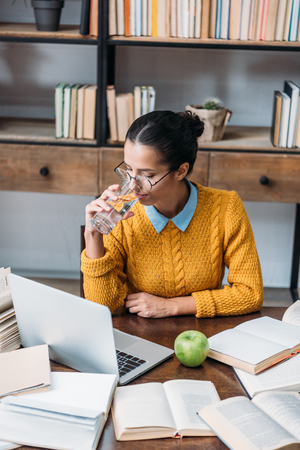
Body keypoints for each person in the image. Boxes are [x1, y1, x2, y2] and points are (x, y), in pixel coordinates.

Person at [81, 110, 263, 318]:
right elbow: (103, 309)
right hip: (140, 335)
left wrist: (173, 306)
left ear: (181, 171)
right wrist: (93, 236)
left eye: (147, 175)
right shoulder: (119, 213)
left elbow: (251, 294)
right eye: (129, 169)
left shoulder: (226, 208)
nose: (132, 185)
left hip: (204, 335)